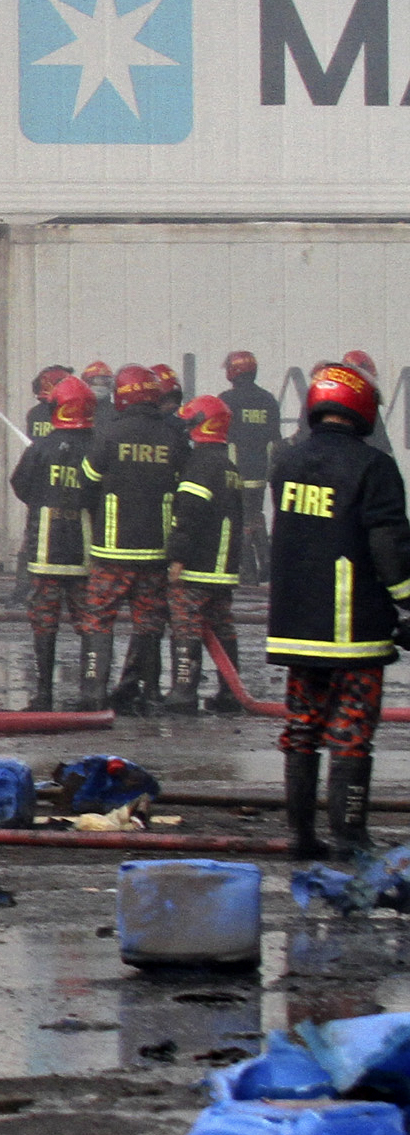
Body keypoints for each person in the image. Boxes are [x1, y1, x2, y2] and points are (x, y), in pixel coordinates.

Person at [265, 359, 410, 860]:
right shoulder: (373, 466)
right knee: (350, 730)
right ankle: (349, 836)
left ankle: (300, 836)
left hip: (295, 626)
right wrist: (408, 600)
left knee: (302, 726)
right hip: (353, 629)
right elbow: (389, 544)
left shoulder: (286, 462)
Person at [83, 364, 187, 714]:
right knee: (150, 622)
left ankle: (94, 691)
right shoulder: (173, 437)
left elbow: (87, 481)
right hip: (155, 553)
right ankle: (151, 692)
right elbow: (183, 486)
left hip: (111, 551)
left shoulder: (109, 433)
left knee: (99, 619)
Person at [9, 373, 96, 711]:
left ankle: (44, 694)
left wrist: (44, 500)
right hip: (85, 553)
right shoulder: (97, 447)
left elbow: (20, 485)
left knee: (44, 621)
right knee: (90, 622)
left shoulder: (40, 448)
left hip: (45, 553)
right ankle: (93, 693)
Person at [169, 393, 247, 714]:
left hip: (196, 568)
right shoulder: (228, 466)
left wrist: (177, 558)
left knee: (186, 626)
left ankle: (184, 692)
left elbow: (187, 516)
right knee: (222, 626)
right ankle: (230, 693)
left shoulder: (199, 466)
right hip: (223, 569)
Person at [221, 349, 280, 566]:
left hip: (235, 473)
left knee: (239, 519)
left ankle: (245, 569)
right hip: (260, 474)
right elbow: (275, 440)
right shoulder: (268, 400)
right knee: (256, 514)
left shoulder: (227, 400)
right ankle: (266, 564)